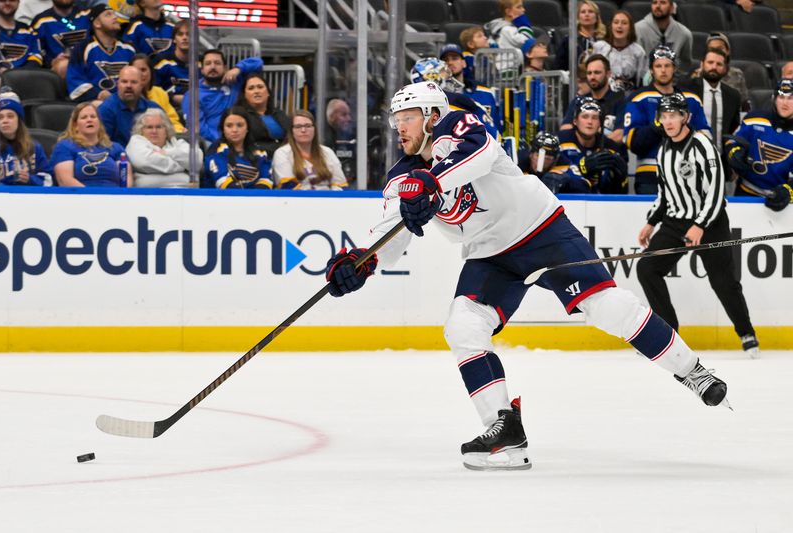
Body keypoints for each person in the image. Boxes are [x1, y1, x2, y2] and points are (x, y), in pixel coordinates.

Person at [322, 81, 731, 471]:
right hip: (490, 255)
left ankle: (691, 370)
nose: (398, 127)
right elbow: (390, 231)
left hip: (541, 229)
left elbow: (477, 153)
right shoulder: (401, 176)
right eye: (395, 121)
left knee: (607, 307)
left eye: (405, 117)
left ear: (431, 115)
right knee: (463, 326)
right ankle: (504, 429)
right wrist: (363, 261)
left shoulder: (457, 126)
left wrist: (432, 182)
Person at [636, 93, 758, 358]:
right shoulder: (664, 150)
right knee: (647, 268)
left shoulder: (703, 145)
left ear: (685, 117)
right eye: (664, 116)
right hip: (675, 221)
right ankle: (669, 334)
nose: (668, 121)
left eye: (673, 116)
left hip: (710, 221)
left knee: (723, 282)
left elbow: (717, 192)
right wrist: (651, 222)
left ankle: (747, 332)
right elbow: (665, 194)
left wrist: (700, 224)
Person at [624, 46, 710, 194]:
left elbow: (706, 139)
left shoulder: (692, 99)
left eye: (667, 65)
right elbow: (632, 142)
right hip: (650, 174)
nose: (663, 70)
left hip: (686, 174)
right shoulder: (639, 98)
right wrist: (655, 128)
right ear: (651, 70)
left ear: (674, 68)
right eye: (658, 66)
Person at [725, 79, 793, 211]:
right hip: (745, 193)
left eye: (791, 98)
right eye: (781, 96)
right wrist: (734, 153)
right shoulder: (753, 119)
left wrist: (789, 191)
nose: (785, 102)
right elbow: (732, 142)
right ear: (774, 98)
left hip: (783, 202)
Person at [182, 50, 263, 144]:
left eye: (217, 63)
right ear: (202, 70)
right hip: (210, 142)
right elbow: (198, 128)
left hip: (239, 138)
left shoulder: (234, 82)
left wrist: (238, 68)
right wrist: (223, 141)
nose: (213, 67)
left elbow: (258, 63)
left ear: (225, 68)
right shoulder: (192, 95)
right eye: (208, 64)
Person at [410, 57, 498, 138]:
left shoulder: (419, 106)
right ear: (431, 77)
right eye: (442, 72)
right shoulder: (454, 101)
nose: (448, 75)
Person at [556, 98, 628, 194]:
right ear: (575, 121)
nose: (590, 122)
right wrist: (581, 168)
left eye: (594, 118)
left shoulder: (611, 147)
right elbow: (552, 178)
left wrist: (620, 178)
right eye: (585, 117)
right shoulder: (559, 142)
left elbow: (620, 192)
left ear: (600, 123)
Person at [51, 101, 132, 187]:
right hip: (81, 196)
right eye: (84, 117)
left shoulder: (116, 148)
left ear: (99, 123)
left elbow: (126, 181)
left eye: (93, 117)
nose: (89, 120)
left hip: (114, 197)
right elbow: (65, 180)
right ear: (75, 125)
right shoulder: (65, 146)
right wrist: (91, 196)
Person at [66, 5, 135, 102]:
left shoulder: (129, 48)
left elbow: (139, 78)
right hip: (95, 103)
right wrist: (98, 94)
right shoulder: (82, 48)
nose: (115, 17)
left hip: (127, 101)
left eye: (114, 14)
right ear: (97, 23)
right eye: (108, 15)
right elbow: (75, 80)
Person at [683, 48, 741, 154]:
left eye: (719, 64)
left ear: (725, 69)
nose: (714, 67)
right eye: (710, 62)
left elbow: (733, 131)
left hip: (721, 159)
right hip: (691, 154)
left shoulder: (733, 96)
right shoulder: (687, 89)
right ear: (702, 64)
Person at [272, 110, 348, 190]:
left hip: (327, 200)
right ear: (292, 131)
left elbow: (341, 185)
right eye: (298, 126)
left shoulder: (327, 152)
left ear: (314, 129)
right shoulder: (282, 153)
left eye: (308, 126)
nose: (303, 130)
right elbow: (287, 186)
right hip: (297, 201)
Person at [125, 108, 200, 187]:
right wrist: (183, 166)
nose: (154, 131)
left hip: (184, 194)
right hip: (147, 195)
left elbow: (196, 161)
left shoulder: (177, 143)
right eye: (149, 127)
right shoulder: (136, 141)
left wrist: (167, 153)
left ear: (166, 129)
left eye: (159, 127)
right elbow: (144, 163)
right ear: (141, 130)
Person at [202, 106, 272, 189]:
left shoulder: (260, 153)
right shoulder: (216, 151)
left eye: (240, 125)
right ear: (223, 129)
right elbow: (225, 185)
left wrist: (253, 197)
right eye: (229, 126)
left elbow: (266, 181)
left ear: (247, 128)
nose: (234, 130)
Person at [438, 45, 500, 137]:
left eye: (455, 58)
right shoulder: (438, 97)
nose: (450, 62)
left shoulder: (486, 93)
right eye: (445, 60)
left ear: (464, 63)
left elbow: (497, 126)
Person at [561, 54, 625, 142]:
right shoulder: (578, 101)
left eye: (597, 72)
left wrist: (595, 146)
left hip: (610, 153)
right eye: (589, 73)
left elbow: (620, 134)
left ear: (608, 74)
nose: (592, 77)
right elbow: (565, 129)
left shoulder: (621, 101)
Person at [0, 91, 53, 186]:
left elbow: (49, 180)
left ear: (19, 120)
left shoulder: (34, 147)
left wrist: (30, 179)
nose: (5, 121)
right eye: (0, 117)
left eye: (10, 116)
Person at [98, 65, 162, 146]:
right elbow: (103, 145)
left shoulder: (154, 109)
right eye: (124, 82)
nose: (129, 86)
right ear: (118, 84)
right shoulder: (106, 110)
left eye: (134, 82)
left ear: (141, 85)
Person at [591, 10, 648, 94]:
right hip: (603, 96)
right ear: (611, 26)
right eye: (616, 22)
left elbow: (643, 80)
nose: (619, 26)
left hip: (630, 97)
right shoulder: (599, 47)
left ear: (630, 28)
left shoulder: (638, 51)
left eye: (624, 23)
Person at [30, 0, 90, 79]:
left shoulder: (88, 15)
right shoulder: (41, 21)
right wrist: (51, 61)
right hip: (58, 72)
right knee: (63, 66)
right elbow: (37, 51)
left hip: (89, 65)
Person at [236, 72, 291, 157]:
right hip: (255, 158)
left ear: (268, 92)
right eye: (251, 88)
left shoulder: (279, 114)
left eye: (260, 87)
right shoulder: (239, 116)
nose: (256, 91)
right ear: (245, 95)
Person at [690, 33, 748, 110]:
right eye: (711, 48)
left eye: (720, 48)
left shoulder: (737, 75)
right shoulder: (696, 74)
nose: (716, 51)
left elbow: (744, 104)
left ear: (728, 51)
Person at [129, 54, 184, 133]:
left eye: (143, 70)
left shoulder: (160, 93)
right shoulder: (127, 95)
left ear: (151, 72)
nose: (140, 74)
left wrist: (180, 130)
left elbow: (172, 120)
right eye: (136, 70)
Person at [635, 0, 693, 72]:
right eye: (654, 2)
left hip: (674, 80)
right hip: (645, 79)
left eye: (662, 2)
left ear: (672, 7)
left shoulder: (684, 34)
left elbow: (685, 65)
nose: (657, 6)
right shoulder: (638, 29)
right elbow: (636, 63)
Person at [555, 0, 606, 71]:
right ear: (578, 17)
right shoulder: (568, 41)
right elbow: (559, 68)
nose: (587, 14)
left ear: (597, 17)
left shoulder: (604, 41)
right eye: (583, 12)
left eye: (590, 11)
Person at [484, 0, 535, 65]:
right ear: (508, 12)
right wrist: (524, 24)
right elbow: (527, 41)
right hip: (507, 70)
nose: (523, 10)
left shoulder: (504, 27)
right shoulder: (506, 29)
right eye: (519, 7)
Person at [0, 0, 43, 72]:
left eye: (12, 0)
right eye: (2, 0)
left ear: (18, 2)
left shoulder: (28, 31)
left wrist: (18, 74)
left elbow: (36, 56)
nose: (7, 3)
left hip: (24, 78)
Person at [154, 20, 190, 107]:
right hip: (168, 109)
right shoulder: (162, 62)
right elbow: (153, 92)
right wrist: (172, 98)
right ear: (174, 39)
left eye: (189, 34)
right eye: (180, 34)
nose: (185, 37)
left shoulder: (202, 63)